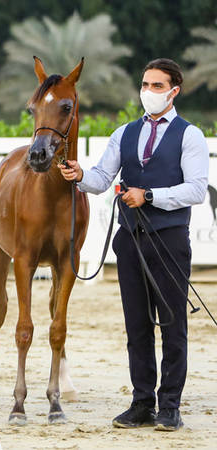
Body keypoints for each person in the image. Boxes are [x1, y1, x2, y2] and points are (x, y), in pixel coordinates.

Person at [60, 58, 208, 432]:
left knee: (173, 326)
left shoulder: (190, 135)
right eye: (145, 85)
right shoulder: (124, 133)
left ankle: (169, 405)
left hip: (169, 239)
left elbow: (196, 189)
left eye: (157, 86)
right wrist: (80, 175)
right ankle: (142, 402)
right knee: (137, 325)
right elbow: (101, 176)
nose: (148, 92)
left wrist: (150, 196)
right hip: (129, 241)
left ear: (175, 91)